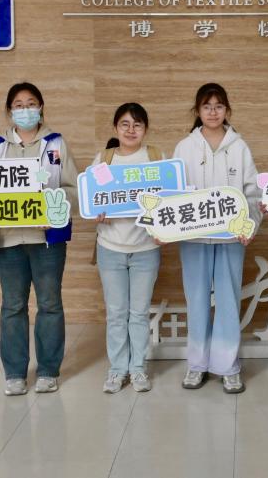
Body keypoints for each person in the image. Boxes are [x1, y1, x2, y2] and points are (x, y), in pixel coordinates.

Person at [0, 82, 78, 396]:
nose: (26, 110)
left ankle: (48, 371)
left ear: (41, 107)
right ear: (10, 110)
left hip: (47, 239)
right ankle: (14, 373)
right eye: (19, 105)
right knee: (12, 306)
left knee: (49, 304)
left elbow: (73, 189)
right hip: (9, 240)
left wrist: (53, 205)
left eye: (31, 103)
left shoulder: (56, 144)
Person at [173, 83, 261, 393]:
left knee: (227, 300)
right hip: (194, 239)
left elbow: (252, 193)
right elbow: (173, 194)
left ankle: (228, 365)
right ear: (197, 110)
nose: (213, 112)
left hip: (230, 239)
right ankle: (197, 364)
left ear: (227, 110)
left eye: (219, 106)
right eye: (207, 106)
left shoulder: (239, 147)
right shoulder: (185, 147)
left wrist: (249, 226)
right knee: (196, 299)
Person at [91, 103, 165, 394]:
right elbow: (93, 199)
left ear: (145, 129)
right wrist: (97, 211)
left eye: (137, 124)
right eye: (125, 124)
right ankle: (117, 370)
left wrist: (165, 228)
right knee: (116, 313)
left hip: (146, 248)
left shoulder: (156, 158)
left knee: (139, 313)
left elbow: (170, 199)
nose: (131, 130)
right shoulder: (104, 160)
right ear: (115, 128)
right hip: (110, 247)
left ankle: (138, 369)